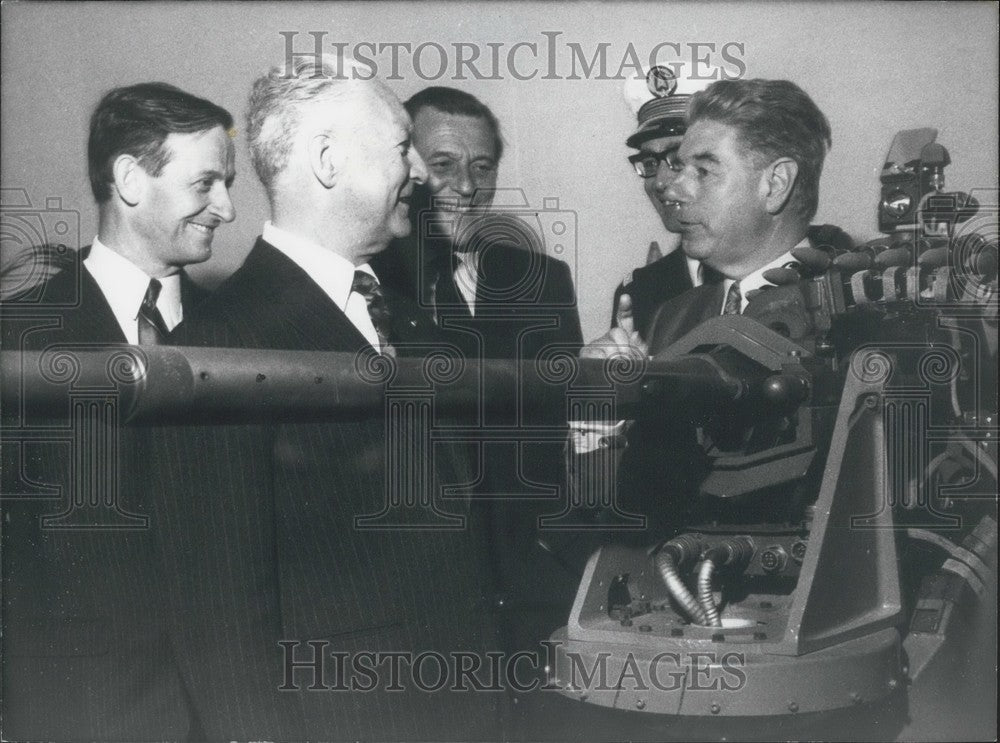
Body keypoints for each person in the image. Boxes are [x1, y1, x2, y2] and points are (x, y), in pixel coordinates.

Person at [149, 58, 503, 740]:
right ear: (327, 159)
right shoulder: (218, 349)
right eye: (402, 147)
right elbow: (220, 625)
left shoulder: (417, 325)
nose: (423, 174)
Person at [0, 82, 235, 740]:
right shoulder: (19, 339)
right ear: (130, 179)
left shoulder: (248, 334)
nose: (228, 207)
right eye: (207, 183)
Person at [579, 77, 835, 535]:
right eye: (677, 169)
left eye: (702, 170)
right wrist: (600, 414)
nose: (672, 191)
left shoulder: (853, 308)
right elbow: (624, 509)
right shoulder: (671, 317)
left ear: (775, 184)